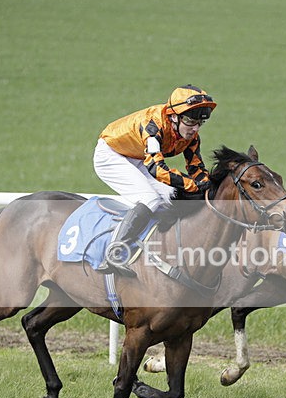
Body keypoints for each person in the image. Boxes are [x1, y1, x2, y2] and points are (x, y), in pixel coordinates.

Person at [93, 84, 217, 276]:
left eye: (200, 123)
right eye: (190, 122)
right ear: (173, 116)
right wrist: (191, 185)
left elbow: (196, 168)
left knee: (170, 197)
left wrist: (208, 187)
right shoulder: (154, 125)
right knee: (149, 198)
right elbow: (156, 168)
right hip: (111, 155)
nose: (195, 129)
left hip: (137, 157)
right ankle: (115, 252)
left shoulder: (191, 135)